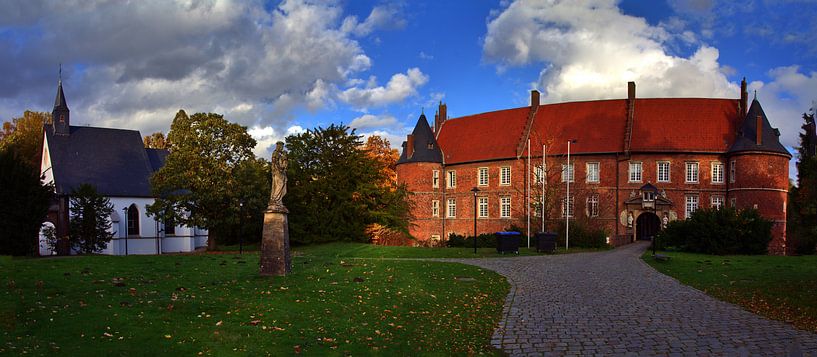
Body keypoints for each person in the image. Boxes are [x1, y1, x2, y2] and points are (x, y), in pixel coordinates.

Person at [269, 142, 288, 210]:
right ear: (279, 146)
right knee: (279, 184)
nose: (282, 148)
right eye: (281, 146)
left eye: (283, 147)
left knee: (283, 187)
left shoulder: (281, 154)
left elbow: (284, 164)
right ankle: (275, 199)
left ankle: (278, 201)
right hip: (277, 172)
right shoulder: (275, 153)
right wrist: (280, 169)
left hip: (281, 173)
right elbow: (274, 162)